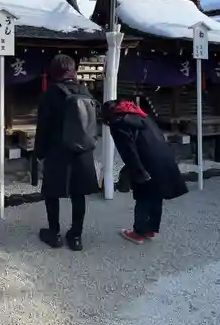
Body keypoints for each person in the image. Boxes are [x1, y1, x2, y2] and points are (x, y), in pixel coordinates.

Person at [34, 54, 99, 251]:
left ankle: (54, 234)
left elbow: (43, 127)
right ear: (73, 70)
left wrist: (39, 152)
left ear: (54, 71)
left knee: (52, 193)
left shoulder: (51, 94)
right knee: (78, 195)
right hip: (83, 152)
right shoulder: (86, 92)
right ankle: (76, 236)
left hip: (58, 151)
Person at [102, 99, 188, 244]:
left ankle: (138, 233)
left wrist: (138, 171)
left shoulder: (119, 125)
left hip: (145, 161)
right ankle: (150, 229)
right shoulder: (142, 115)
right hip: (164, 157)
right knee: (156, 194)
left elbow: (128, 151)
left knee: (143, 196)